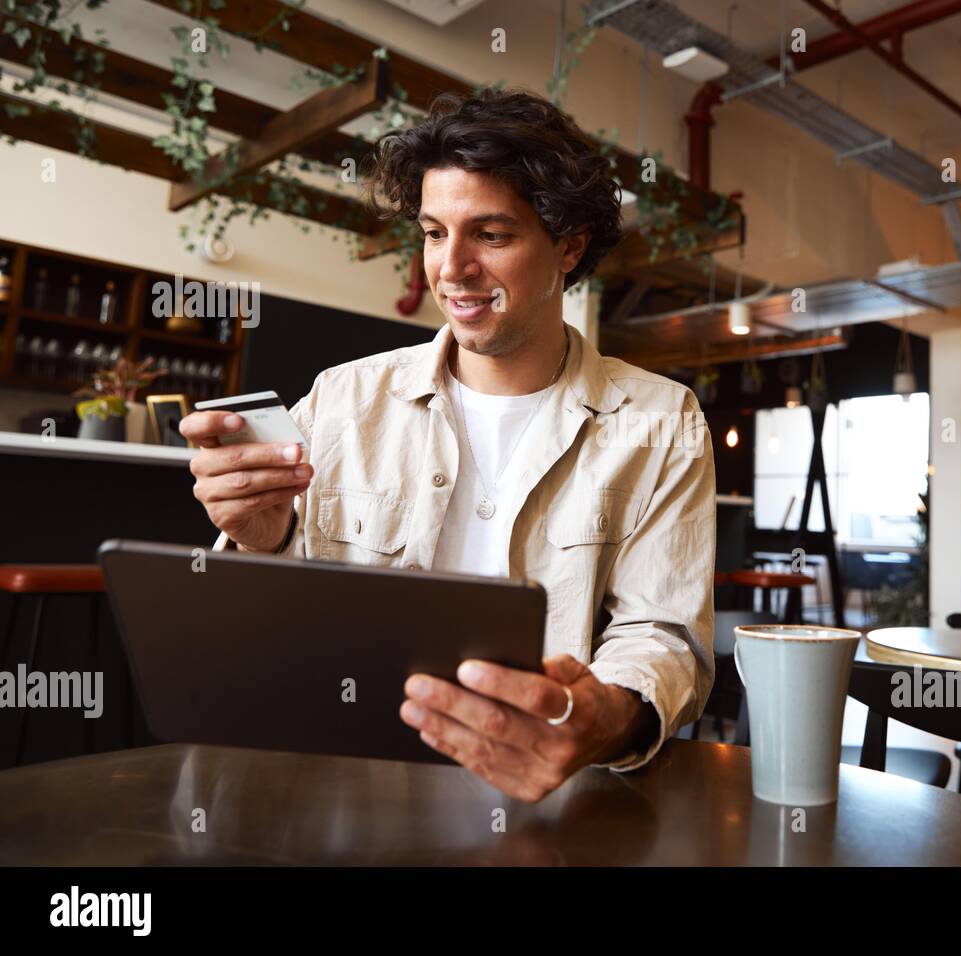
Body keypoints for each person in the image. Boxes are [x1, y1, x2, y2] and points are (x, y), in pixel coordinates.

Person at [180, 87, 716, 802]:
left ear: (569, 246)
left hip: (549, 804)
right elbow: (264, 634)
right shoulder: (340, 400)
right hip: (346, 798)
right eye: (435, 232)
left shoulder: (662, 420)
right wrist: (262, 538)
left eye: (491, 235)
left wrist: (604, 714)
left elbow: (663, 635)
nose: (452, 267)